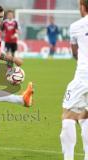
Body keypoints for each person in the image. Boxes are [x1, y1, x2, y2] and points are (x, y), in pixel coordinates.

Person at [60, 1, 88, 160]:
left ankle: (69, 158)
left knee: (68, 115)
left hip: (84, 75)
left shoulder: (76, 26)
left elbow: (74, 53)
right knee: (85, 115)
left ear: (82, 7)